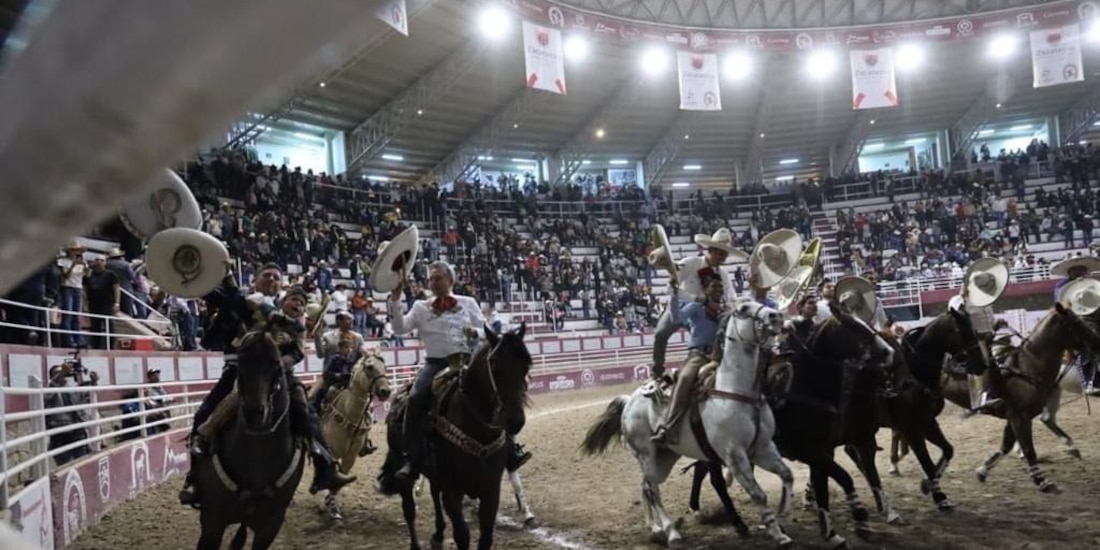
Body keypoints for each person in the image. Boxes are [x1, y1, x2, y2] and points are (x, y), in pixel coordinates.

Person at [178, 265, 355, 506]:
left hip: (278, 373)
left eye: (276, 277)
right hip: (240, 370)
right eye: (267, 275)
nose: (272, 279)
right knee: (203, 414)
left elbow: (297, 351)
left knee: (306, 412)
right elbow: (230, 302)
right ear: (256, 280)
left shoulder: (289, 320)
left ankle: (324, 465)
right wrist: (212, 281)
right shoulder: (251, 303)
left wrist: (280, 364)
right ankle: (194, 477)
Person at [386, 261, 530, 485]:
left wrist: (475, 333)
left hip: (468, 362)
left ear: (450, 280)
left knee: (499, 392)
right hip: (435, 364)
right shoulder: (420, 307)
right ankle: (412, 459)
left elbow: (485, 331)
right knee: (416, 398)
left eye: (438, 278)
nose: (433, 283)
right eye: (431, 279)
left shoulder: (468, 302)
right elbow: (399, 328)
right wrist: (396, 300)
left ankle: (510, 450)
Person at [651, 228, 740, 379]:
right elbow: (672, 288)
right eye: (720, 254)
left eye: (725, 255)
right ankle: (657, 369)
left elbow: (731, 297)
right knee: (660, 333)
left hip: (702, 313)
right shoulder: (691, 263)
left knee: (711, 338)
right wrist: (697, 299)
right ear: (710, 250)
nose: (722, 258)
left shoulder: (723, 274)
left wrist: (731, 307)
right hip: (680, 306)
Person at [651, 272, 725, 445]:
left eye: (720, 287)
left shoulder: (726, 308)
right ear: (705, 289)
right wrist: (674, 295)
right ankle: (669, 426)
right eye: (714, 286)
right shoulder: (696, 307)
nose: (718, 290)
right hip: (699, 355)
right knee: (684, 378)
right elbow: (677, 318)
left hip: (723, 355)